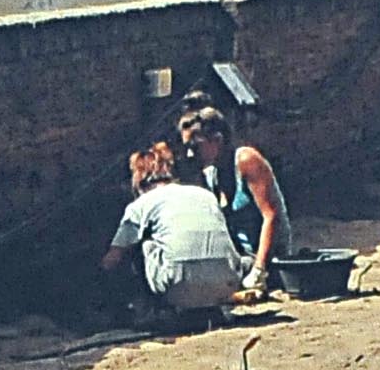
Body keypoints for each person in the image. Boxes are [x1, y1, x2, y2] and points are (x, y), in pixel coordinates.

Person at [172, 102, 286, 298]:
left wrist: (259, 270)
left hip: (266, 260)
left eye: (195, 146)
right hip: (239, 260)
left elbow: (272, 215)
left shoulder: (246, 161)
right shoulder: (210, 174)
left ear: (217, 140)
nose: (190, 154)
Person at [106, 170, 242, 323]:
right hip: (227, 283)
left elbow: (114, 257)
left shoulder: (140, 204)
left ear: (137, 180)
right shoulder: (206, 195)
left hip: (177, 287)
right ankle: (210, 307)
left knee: (144, 243)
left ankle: (156, 310)